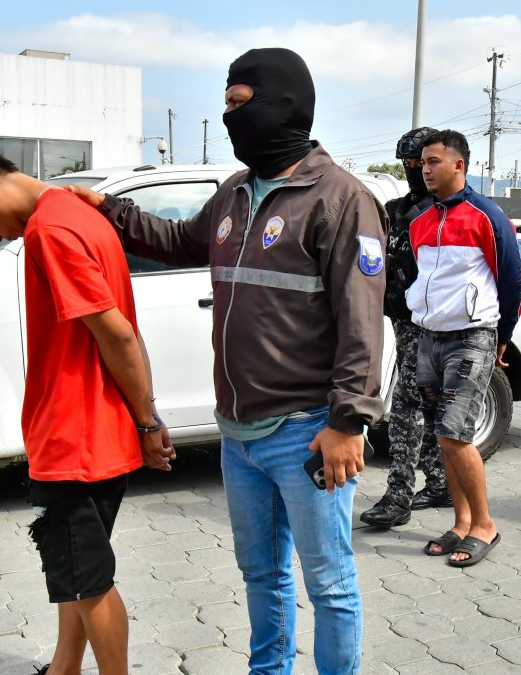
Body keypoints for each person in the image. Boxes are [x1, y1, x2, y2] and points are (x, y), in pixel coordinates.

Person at [68, 48, 384, 674]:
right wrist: (111, 212)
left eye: (239, 103)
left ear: (283, 104)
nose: (229, 115)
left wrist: (348, 422)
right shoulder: (236, 192)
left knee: (330, 585)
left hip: (307, 432)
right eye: (226, 103)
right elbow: (180, 241)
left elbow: (362, 322)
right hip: (238, 436)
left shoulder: (342, 199)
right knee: (261, 577)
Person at [0, 146, 175, 675]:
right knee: (75, 569)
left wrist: (148, 420)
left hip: (75, 436)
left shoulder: (50, 229)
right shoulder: (76, 210)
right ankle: (64, 668)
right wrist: (144, 416)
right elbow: (127, 333)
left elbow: (115, 333)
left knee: (89, 581)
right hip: (95, 431)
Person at [405, 129, 521, 567]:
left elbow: (512, 280)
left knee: (455, 432)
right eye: (423, 162)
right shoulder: (420, 220)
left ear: (459, 165)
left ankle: (485, 526)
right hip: (429, 339)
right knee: (441, 435)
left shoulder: (487, 216)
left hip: (471, 337)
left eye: (434, 161)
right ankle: (461, 523)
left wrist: (501, 334)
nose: (426, 169)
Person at [359, 127, 451, 529]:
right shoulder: (395, 208)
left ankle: (399, 495)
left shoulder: (448, 211)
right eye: (409, 164)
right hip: (400, 319)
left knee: (407, 406)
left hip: (434, 325)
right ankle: (441, 481)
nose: (414, 170)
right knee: (423, 404)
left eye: (421, 163)